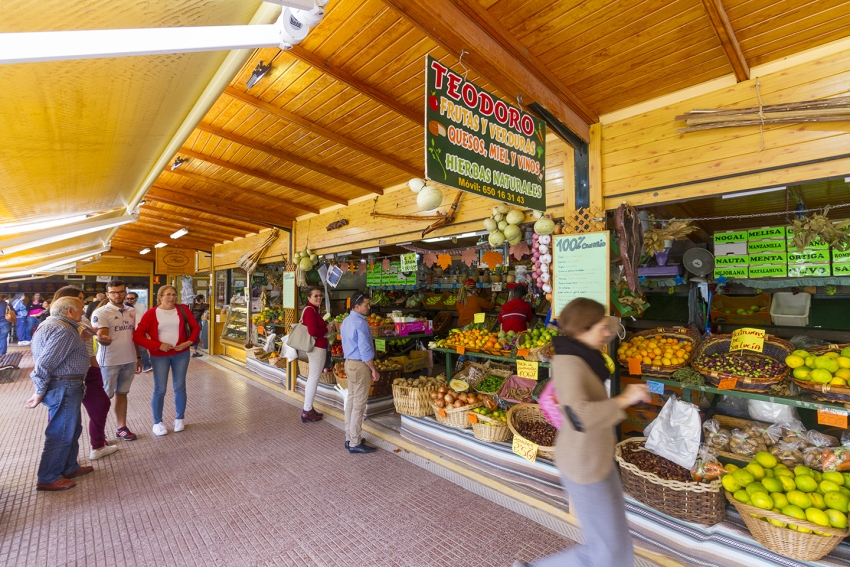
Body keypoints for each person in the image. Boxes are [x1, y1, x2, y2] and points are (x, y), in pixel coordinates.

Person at [513, 298, 649, 567]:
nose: (607, 333)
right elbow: (579, 416)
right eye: (601, 327)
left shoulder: (583, 355)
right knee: (606, 551)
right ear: (582, 330)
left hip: (597, 457)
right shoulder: (569, 364)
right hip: (584, 465)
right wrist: (624, 399)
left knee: (616, 544)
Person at [25, 297, 94, 491]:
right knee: (61, 431)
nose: (83, 312)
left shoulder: (53, 325)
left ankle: (68, 466)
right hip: (64, 385)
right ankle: (48, 476)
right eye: (80, 309)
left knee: (72, 428)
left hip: (66, 385)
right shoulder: (63, 330)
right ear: (69, 311)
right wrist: (39, 391)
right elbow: (44, 364)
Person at [53, 286, 118, 461]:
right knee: (68, 417)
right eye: (80, 299)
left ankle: (97, 444)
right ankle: (64, 459)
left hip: (91, 369)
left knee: (101, 405)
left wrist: (101, 339)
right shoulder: (57, 324)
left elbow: (92, 340)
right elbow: (54, 354)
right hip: (71, 375)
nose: (83, 303)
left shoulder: (82, 319)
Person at [133, 285, 200, 436]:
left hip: (181, 353)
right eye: (168, 294)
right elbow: (137, 336)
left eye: (174, 294)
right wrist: (158, 346)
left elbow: (196, 328)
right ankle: (157, 422)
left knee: (179, 386)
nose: (171, 297)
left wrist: (188, 342)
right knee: (160, 389)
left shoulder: (183, 309)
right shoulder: (151, 313)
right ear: (160, 297)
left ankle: (180, 418)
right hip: (159, 356)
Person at [92, 280, 142, 442]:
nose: (117, 295)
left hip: (129, 359)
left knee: (122, 393)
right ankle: (99, 432)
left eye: (121, 292)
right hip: (109, 361)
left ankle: (121, 428)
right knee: (105, 397)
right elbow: (103, 333)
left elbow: (134, 336)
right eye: (113, 292)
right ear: (107, 294)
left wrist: (138, 357)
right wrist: (103, 338)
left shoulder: (131, 310)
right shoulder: (101, 312)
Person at [339, 291, 380, 454]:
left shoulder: (346, 321)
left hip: (349, 363)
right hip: (360, 365)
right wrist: (373, 369)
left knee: (351, 400)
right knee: (358, 405)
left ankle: (349, 437)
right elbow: (365, 350)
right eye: (366, 305)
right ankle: (355, 442)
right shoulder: (360, 323)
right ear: (357, 306)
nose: (368, 307)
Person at [299, 287, 328, 423]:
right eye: (315, 296)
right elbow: (313, 331)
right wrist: (327, 328)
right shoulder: (310, 311)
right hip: (317, 348)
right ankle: (307, 410)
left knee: (313, 377)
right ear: (308, 298)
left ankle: (309, 408)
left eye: (320, 296)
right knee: (314, 378)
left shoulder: (314, 310)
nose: (319, 298)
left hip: (317, 348)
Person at [125, 291, 152, 372]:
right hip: (127, 331)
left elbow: (145, 319)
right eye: (128, 298)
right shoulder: (124, 307)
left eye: (132, 298)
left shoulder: (141, 306)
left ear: (136, 298)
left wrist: (147, 331)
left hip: (139, 331)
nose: (130, 300)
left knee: (143, 349)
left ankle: (146, 365)